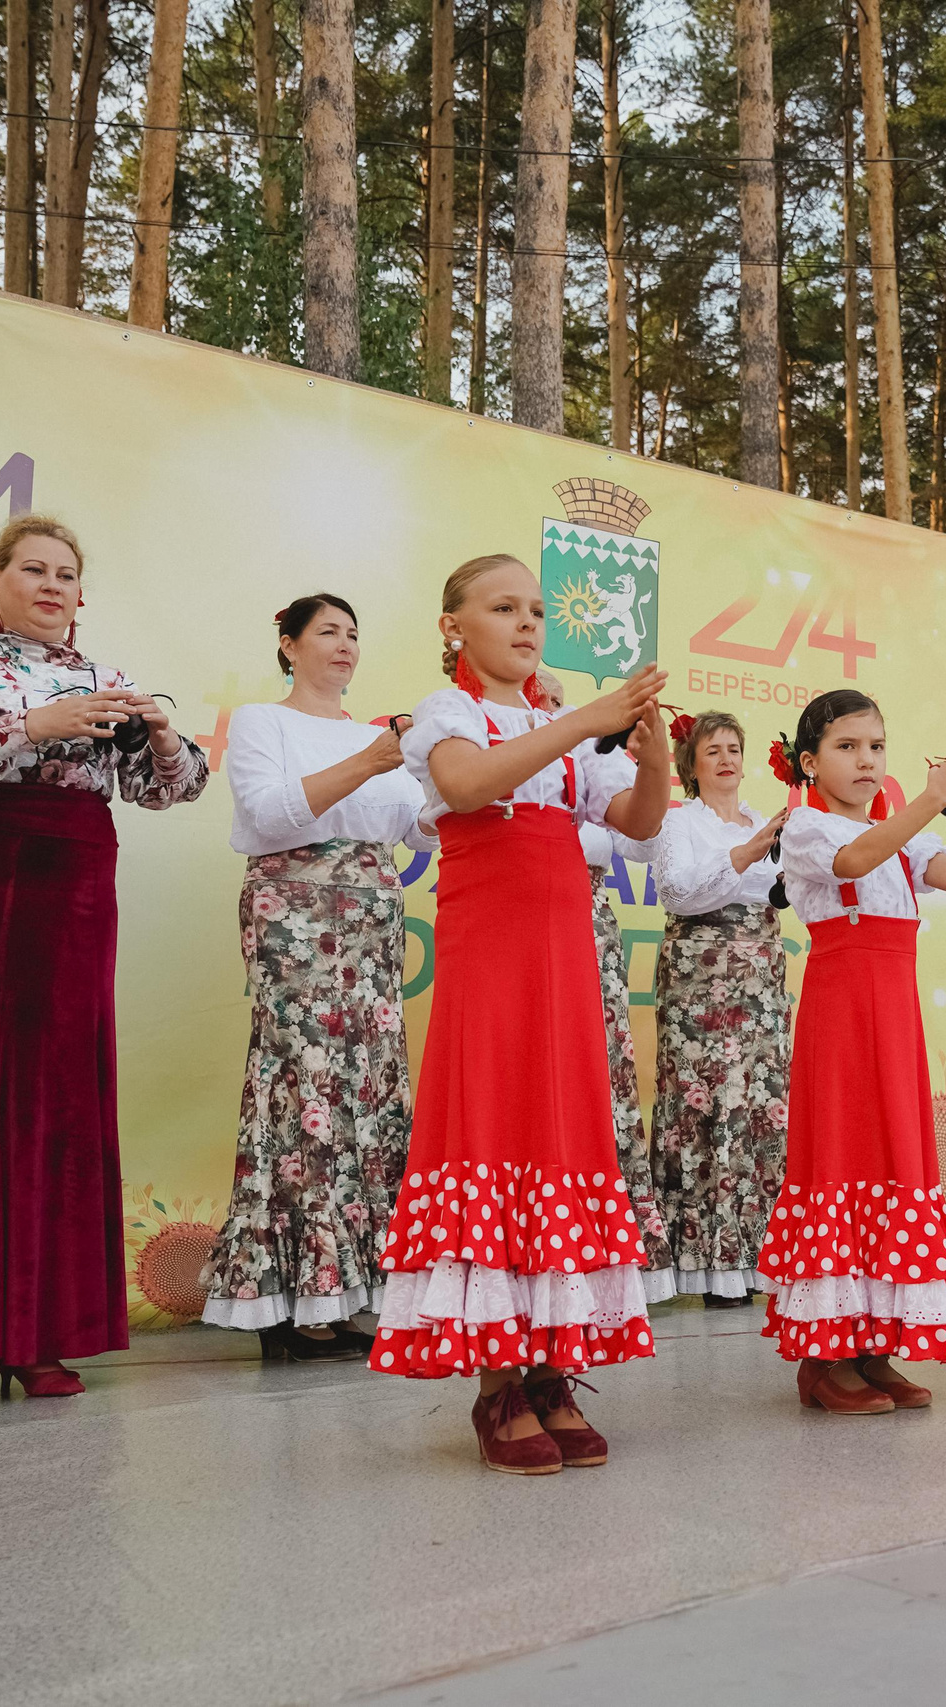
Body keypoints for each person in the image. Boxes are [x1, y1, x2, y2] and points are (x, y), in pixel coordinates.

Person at [0, 515, 210, 1412]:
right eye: (34, 569)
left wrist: (164, 738)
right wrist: (33, 721)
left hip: (74, 874)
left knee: (62, 1088)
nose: (52, 585)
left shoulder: (108, 678)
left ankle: (43, 1337)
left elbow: (169, 790)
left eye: (66, 573)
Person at [369, 554, 671, 1476]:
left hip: (564, 955)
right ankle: (498, 1381)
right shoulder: (445, 713)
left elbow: (642, 825)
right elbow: (465, 787)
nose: (528, 622)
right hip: (490, 952)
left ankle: (548, 1369)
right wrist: (587, 717)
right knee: (496, 1125)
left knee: (560, 1135)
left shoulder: (554, 725)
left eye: (537, 609)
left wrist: (653, 750)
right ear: (454, 625)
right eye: (505, 607)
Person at [199, 594, 433, 1361]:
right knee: (303, 1083)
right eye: (328, 631)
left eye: (354, 634)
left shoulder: (379, 740)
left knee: (370, 1083)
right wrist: (371, 757)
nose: (345, 645)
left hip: (373, 910)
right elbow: (267, 815)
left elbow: (414, 825)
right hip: (294, 904)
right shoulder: (265, 722)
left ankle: (362, 1290)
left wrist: (453, 775)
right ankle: (289, 1297)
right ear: (289, 644)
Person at [764, 691, 946, 1413]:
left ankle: (874, 1346)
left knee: (893, 1157)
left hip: (894, 1014)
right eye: (847, 746)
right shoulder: (807, 825)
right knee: (841, 1154)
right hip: (841, 1010)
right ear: (810, 762)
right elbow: (856, 857)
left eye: (876, 746)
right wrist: (931, 798)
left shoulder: (902, 832)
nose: (866, 759)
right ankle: (824, 1357)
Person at [638, 711, 790, 1308]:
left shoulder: (762, 819)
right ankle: (702, 1262)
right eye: (713, 750)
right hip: (701, 975)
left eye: (734, 747)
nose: (726, 758)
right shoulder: (681, 823)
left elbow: (784, 891)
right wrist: (751, 851)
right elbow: (675, 893)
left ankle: (760, 1256)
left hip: (762, 973)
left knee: (760, 1103)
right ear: (690, 766)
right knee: (704, 1101)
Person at [540, 671, 672, 1298]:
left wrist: (653, 758)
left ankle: (602, 1244)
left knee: (597, 1067)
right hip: (515, 908)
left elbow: (639, 834)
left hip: (587, 914)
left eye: (555, 696)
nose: (547, 700)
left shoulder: (583, 757)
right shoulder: (467, 726)